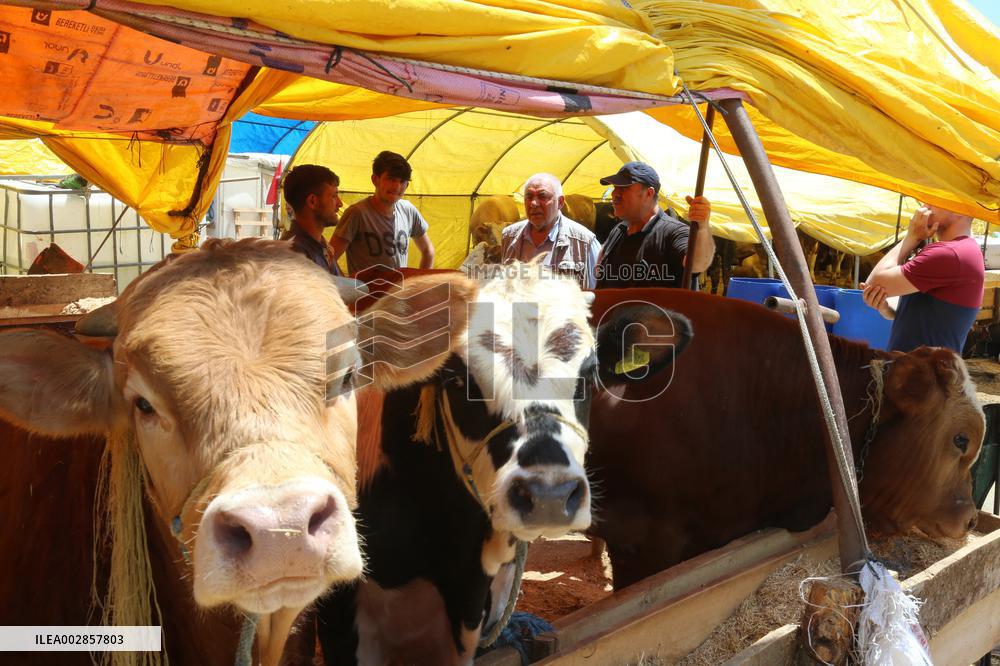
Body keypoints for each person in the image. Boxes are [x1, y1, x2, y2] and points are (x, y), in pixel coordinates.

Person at [861, 204, 984, 353]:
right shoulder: (962, 250)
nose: (925, 206)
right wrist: (885, 307)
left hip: (922, 367)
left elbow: (874, 283)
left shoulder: (950, 254)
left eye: (934, 201)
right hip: (923, 366)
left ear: (959, 209)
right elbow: (920, 314)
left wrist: (912, 237)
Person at [594, 161, 715, 289]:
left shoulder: (673, 232)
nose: (614, 194)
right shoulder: (618, 231)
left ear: (649, 194)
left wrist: (703, 228)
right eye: (615, 188)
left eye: (623, 188)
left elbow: (697, 263)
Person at [332, 150, 435, 274]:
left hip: (401, 287)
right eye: (391, 179)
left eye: (402, 181)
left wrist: (421, 282)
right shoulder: (357, 213)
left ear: (407, 185)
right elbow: (329, 258)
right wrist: (345, 283)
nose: (397, 186)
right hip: (365, 287)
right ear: (375, 180)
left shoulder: (408, 211)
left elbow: (428, 251)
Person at [500, 173, 601, 289]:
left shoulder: (585, 242)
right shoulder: (509, 236)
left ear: (560, 202)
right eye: (529, 197)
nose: (534, 203)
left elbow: (597, 293)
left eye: (542, 196)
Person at [282, 164, 344, 276]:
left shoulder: (321, 245)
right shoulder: (295, 254)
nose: (340, 204)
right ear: (312, 201)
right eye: (334, 196)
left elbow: (338, 283)